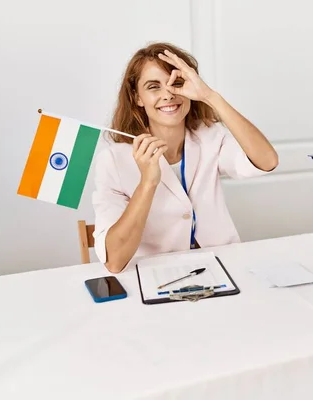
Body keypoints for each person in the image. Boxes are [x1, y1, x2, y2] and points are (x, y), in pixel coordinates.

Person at [91, 42, 278, 273]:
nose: (168, 94)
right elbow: (115, 261)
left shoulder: (210, 137)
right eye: (153, 86)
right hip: (157, 275)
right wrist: (148, 183)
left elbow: (267, 161)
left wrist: (210, 96)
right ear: (137, 97)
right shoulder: (113, 161)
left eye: (177, 83)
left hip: (223, 267)